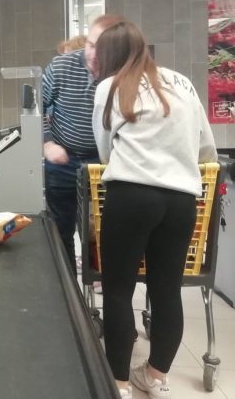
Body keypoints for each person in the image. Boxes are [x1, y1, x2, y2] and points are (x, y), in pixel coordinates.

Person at [92, 20, 217, 399]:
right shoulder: (182, 83)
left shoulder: (110, 86)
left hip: (131, 195)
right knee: (167, 290)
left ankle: (119, 384)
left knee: (118, 291)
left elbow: (105, 149)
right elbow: (206, 147)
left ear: (109, 56)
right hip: (181, 201)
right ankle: (155, 377)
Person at [42, 14, 124, 273]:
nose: (94, 55)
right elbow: (36, 108)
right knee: (60, 230)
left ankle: (99, 280)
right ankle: (68, 286)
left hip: (103, 162)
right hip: (62, 162)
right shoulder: (61, 66)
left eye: (103, 49)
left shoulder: (121, 71)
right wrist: (47, 143)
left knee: (98, 232)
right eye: (90, 45)